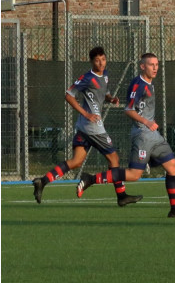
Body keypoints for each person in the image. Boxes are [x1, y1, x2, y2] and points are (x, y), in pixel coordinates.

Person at [76, 52, 175, 218]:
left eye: (156, 64)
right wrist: (146, 122)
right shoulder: (138, 84)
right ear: (142, 66)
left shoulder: (149, 83)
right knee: (134, 174)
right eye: (151, 65)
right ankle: (91, 179)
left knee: (173, 166)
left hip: (153, 135)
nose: (155, 68)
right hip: (143, 135)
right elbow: (129, 109)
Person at [31, 46, 142, 207]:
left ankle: (43, 181)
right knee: (114, 159)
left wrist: (110, 98)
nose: (101, 63)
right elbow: (69, 96)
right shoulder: (87, 78)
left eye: (103, 59)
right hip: (93, 127)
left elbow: (102, 93)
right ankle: (121, 195)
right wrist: (86, 113)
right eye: (97, 60)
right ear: (91, 62)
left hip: (85, 128)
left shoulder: (105, 74)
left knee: (76, 161)